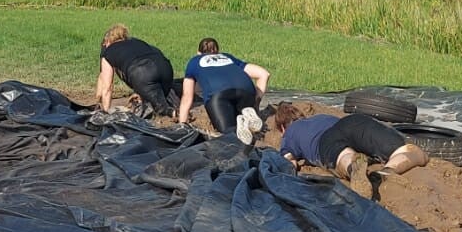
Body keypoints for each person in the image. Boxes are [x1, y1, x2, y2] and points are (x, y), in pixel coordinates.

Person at [275, 103, 428, 184]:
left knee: (344, 155)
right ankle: (387, 171)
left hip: (326, 140)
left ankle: (352, 168)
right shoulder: (321, 117)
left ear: (282, 127)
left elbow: (289, 162)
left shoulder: (289, 134)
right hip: (351, 122)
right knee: (408, 150)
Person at [177, 38, 269, 142]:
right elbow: (264, 74)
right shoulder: (227, 57)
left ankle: (237, 129)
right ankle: (248, 117)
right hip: (246, 92)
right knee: (238, 112)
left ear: (198, 53)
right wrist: (256, 104)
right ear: (218, 52)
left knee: (226, 132)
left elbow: (187, 97)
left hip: (218, 94)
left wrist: (182, 125)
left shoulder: (194, 62)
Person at [96, 25, 179, 118]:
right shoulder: (136, 41)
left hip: (142, 72)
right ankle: (167, 106)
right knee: (154, 100)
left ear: (108, 41)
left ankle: (173, 113)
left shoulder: (108, 52)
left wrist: (105, 112)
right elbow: (157, 52)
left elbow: (107, 87)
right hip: (166, 69)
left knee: (159, 108)